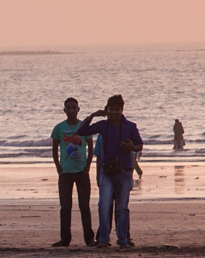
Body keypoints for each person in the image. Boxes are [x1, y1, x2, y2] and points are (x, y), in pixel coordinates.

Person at [75, 95, 144, 248]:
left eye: (117, 110)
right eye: (111, 110)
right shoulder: (102, 125)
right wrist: (92, 115)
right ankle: (104, 239)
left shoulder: (130, 126)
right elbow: (82, 131)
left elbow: (140, 145)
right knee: (103, 206)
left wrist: (131, 147)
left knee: (122, 208)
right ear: (106, 110)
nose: (114, 113)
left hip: (125, 171)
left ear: (122, 110)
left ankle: (123, 240)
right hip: (107, 171)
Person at [50, 97, 94, 247]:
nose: (71, 110)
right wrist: (58, 167)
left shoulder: (84, 126)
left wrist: (88, 167)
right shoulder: (59, 128)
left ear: (78, 109)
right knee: (65, 206)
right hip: (65, 173)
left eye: (73, 107)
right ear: (64, 110)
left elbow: (90, 146)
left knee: (84, 206)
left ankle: (89, 239)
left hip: (81, 172)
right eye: (68, 108)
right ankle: (65, 239)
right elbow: (54, 149)